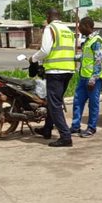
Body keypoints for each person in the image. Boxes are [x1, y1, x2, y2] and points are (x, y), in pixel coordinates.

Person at [30, 8, 75, 147]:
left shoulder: (50, 28)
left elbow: (45, 50)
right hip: (68, 70)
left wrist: (33, 58)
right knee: (53, 102)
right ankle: (47, 129)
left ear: (48, 16)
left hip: (55, 71)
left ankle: (65, 136)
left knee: (54, 105)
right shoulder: (67, 30)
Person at [70, 17, 102, 138]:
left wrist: (93, 79)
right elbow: (85, 57)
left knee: (93, 104)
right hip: (83, 77)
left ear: (87, 26)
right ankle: (75, 126)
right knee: (78, 102)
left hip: (93, 80)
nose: (79, 29)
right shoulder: (88, 40)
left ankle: (91, 128)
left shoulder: (96, 41)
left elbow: (98, 60)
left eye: (80, 26)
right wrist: (71, 58)